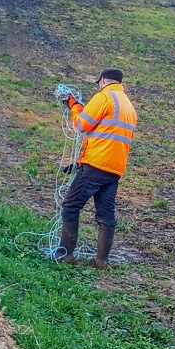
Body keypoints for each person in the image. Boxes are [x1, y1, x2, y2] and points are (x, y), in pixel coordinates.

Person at [55, 68, 138, 267]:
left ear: (102, 81)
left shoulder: (104, 97)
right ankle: (101, 261)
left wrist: (74, 105)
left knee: (71, 206)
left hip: (96, 165)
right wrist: (79, 163)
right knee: (105, 215)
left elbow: (82, 125)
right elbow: (108, 136)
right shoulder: (128, 106)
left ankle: (65, 256)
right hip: (114, 170)